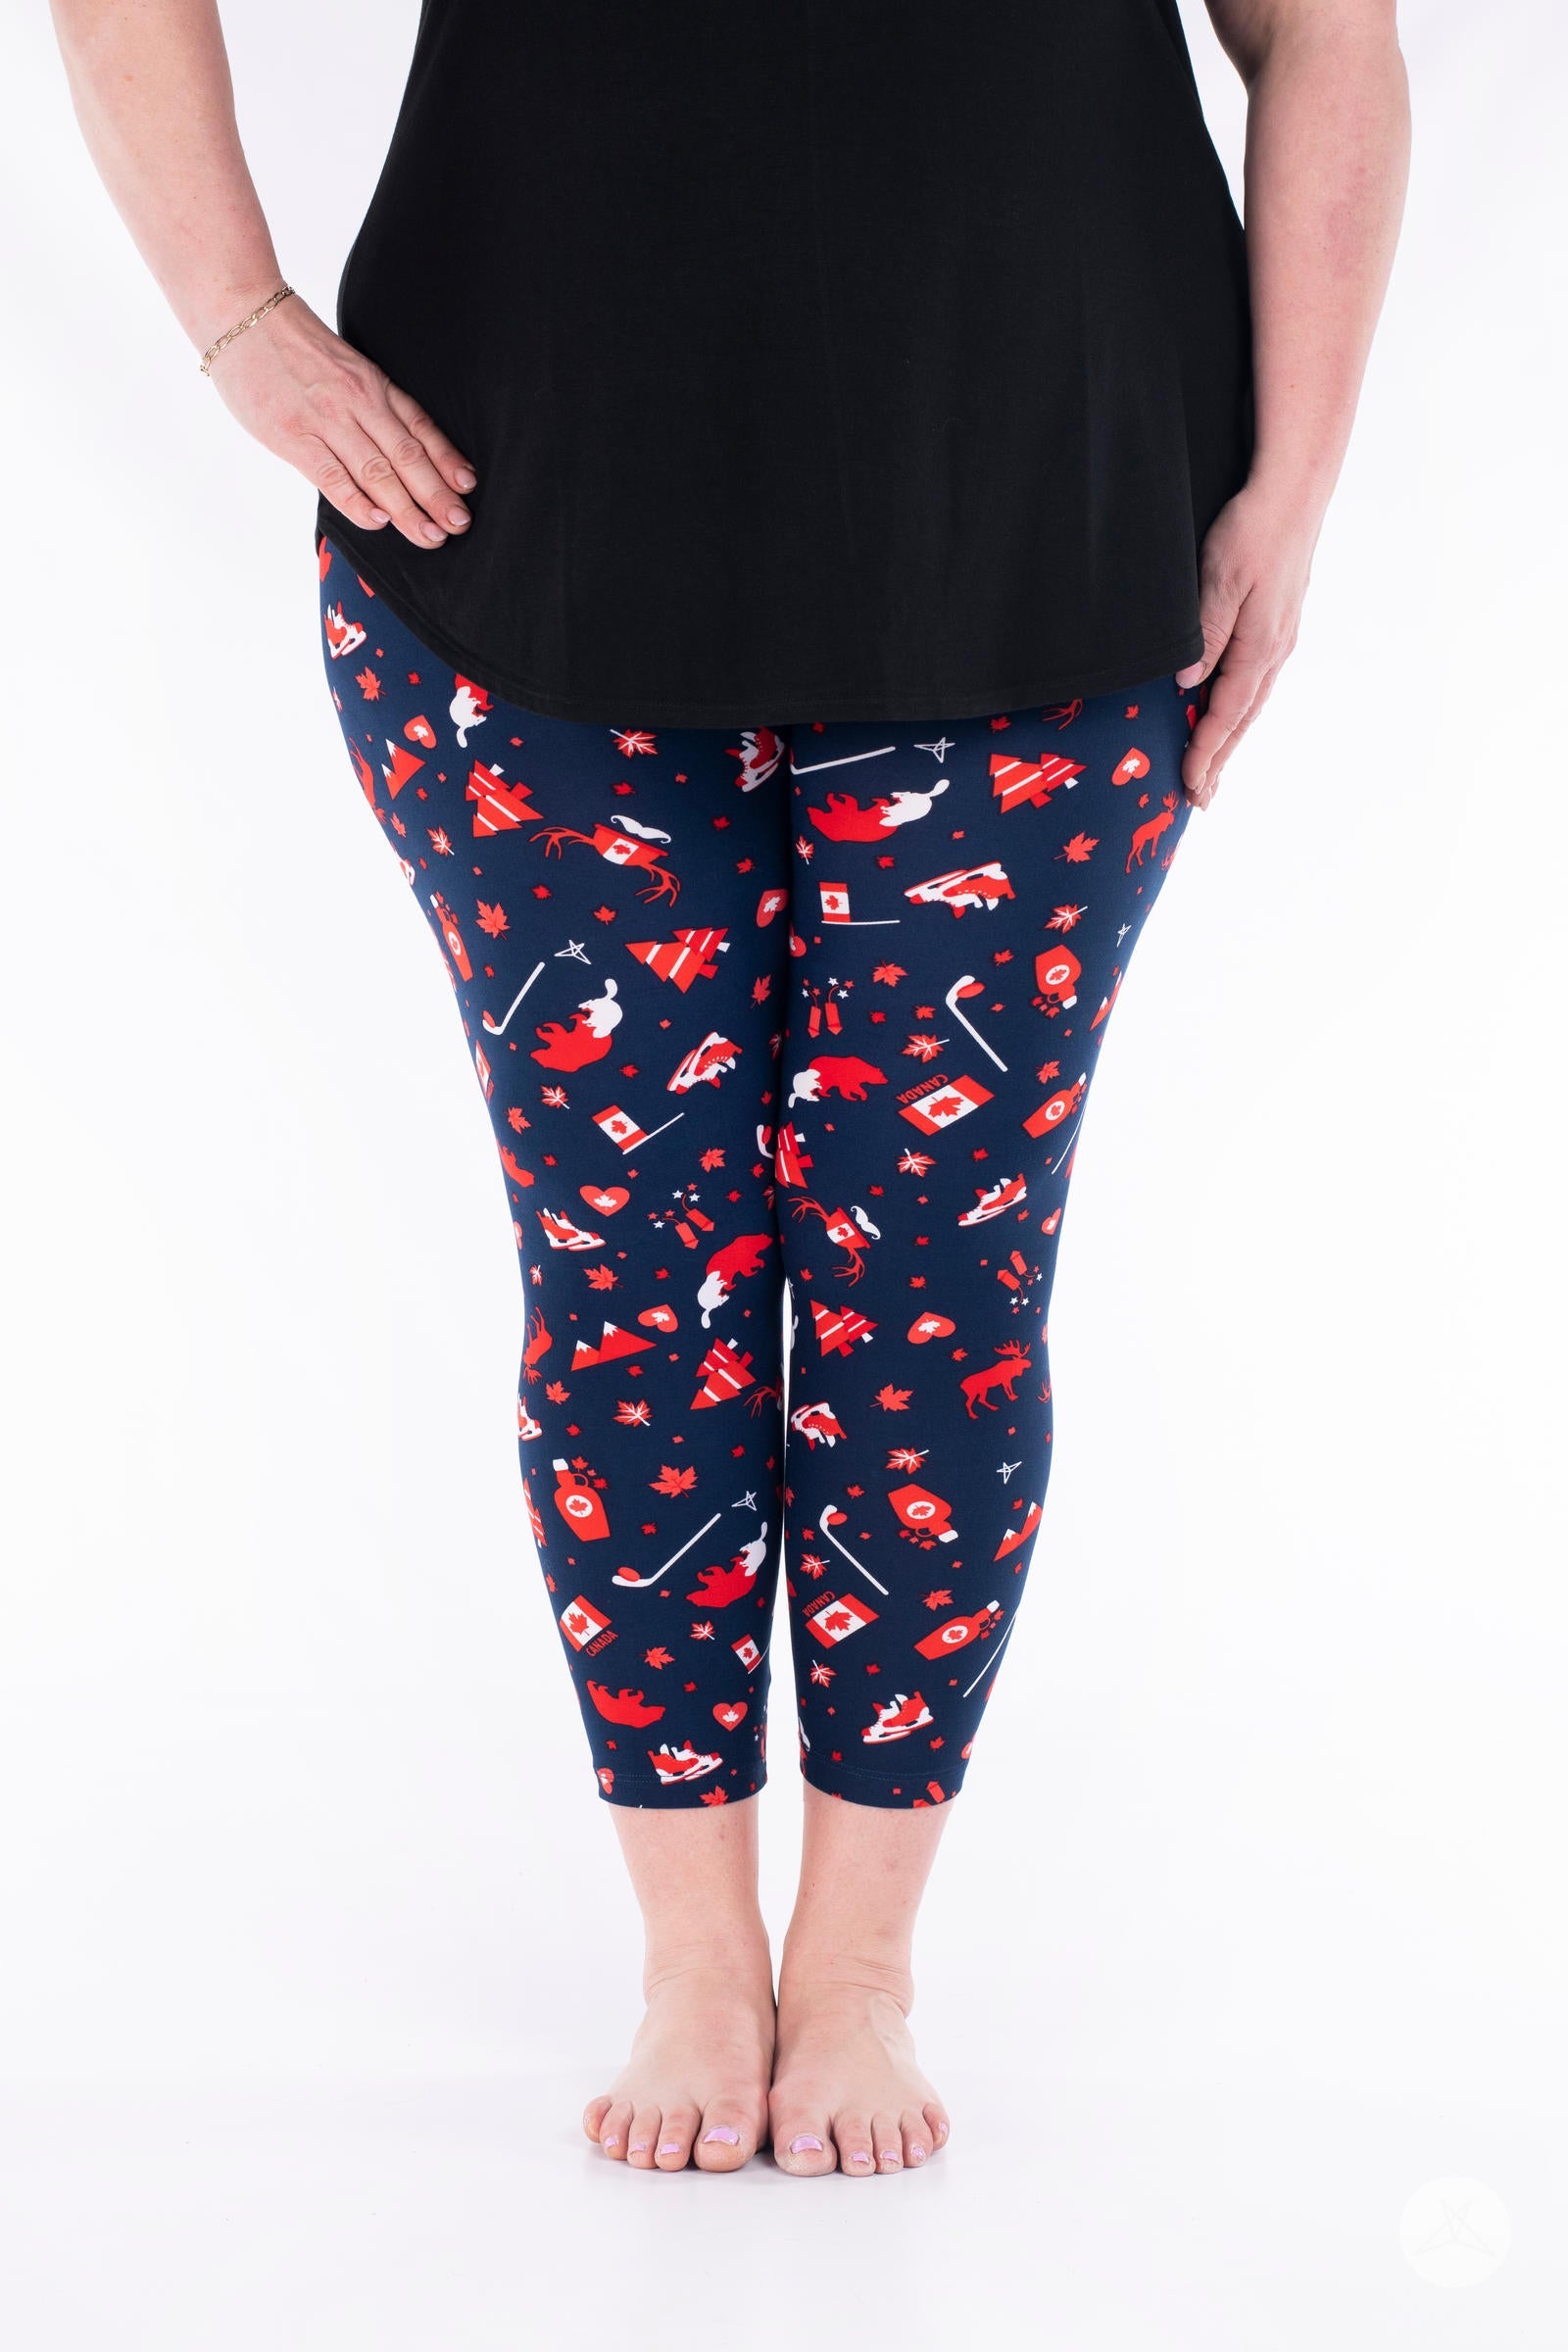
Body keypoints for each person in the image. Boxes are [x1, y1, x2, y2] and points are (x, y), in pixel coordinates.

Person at [51, 0, 1409, 2178]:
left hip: (1047, 529)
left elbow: (1326, 33)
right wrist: (236, 321)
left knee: (939, 1290)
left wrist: (1296, 486)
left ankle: (857, 1967)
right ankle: (694, 1956)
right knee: (628, 1283)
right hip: (519, 538)